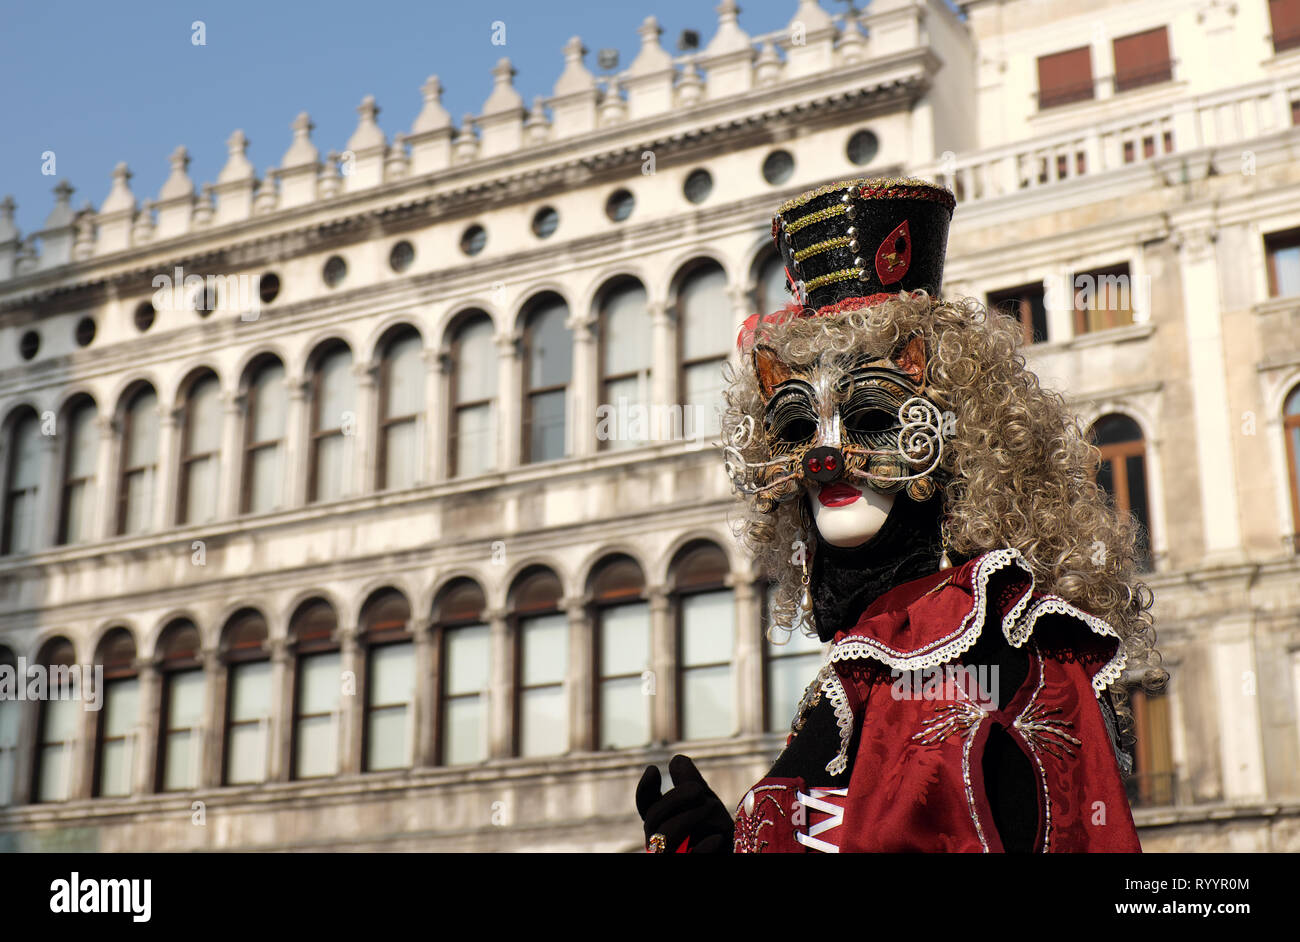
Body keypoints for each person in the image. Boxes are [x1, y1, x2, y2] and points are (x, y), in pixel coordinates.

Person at [635, 177, 1166, 853]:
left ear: (960, 434)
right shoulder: (867, 661)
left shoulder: (1001, 648)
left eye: (870, 418)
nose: (825, 459)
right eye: (800, 427)